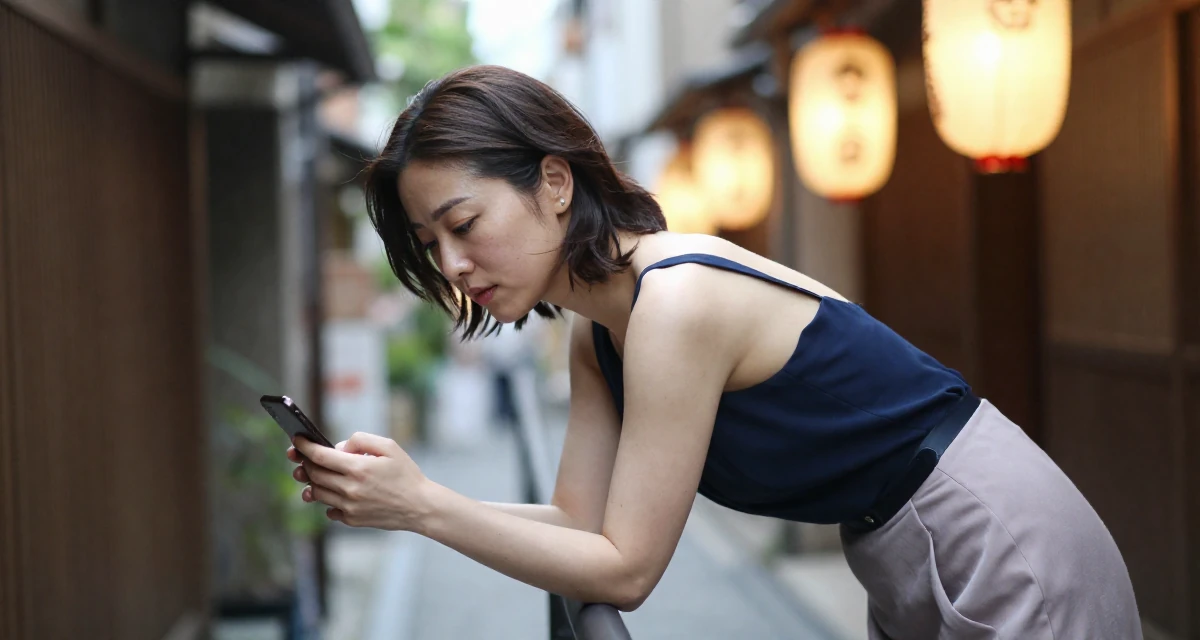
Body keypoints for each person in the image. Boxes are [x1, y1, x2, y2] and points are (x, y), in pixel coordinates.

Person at [287, 65, 1141, 638]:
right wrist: (411, 495)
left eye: (464, 225)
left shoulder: (676, 300)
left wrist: (424, 510)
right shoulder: (601, 330)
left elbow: (624, 570)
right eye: (431, 245)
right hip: (904, 548)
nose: (453, 264)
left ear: (554, 183)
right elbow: (582, 526)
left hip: (993, 532)